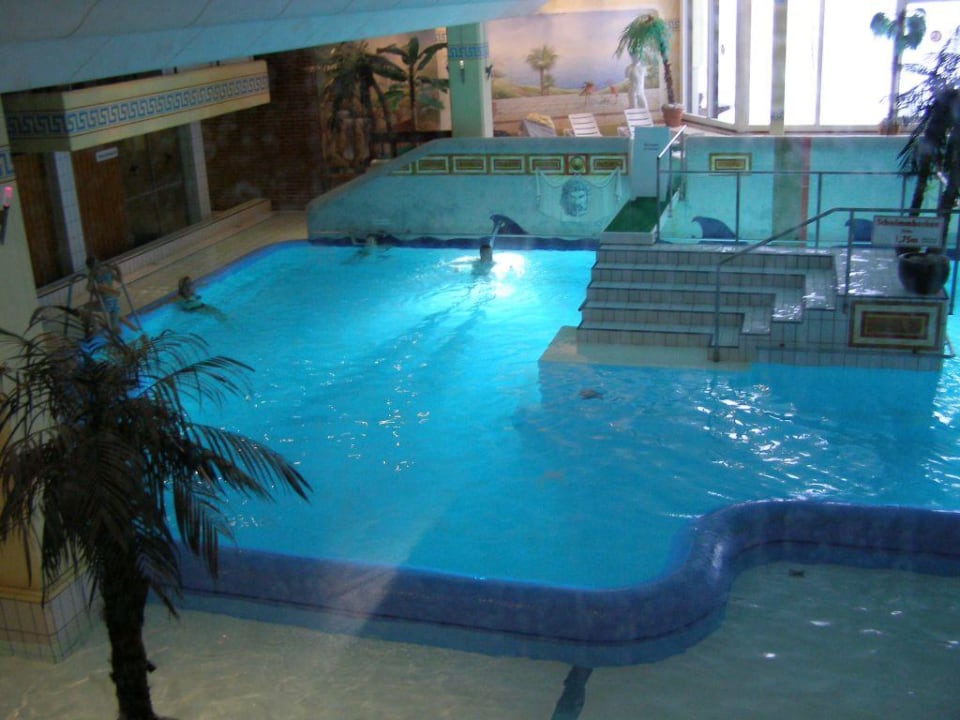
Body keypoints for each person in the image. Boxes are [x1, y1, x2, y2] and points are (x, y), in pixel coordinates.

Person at [85, 256, 136, 332]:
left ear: (89, 267)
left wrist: (91, 278)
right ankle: (135, 330)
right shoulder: (107, 271)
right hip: (114, 300)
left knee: (85, 307)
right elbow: (120, 280)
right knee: (116, 318)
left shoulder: (93, 275)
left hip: (106, 302)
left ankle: (96, 326)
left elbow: (89, 288)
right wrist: (117, 269)